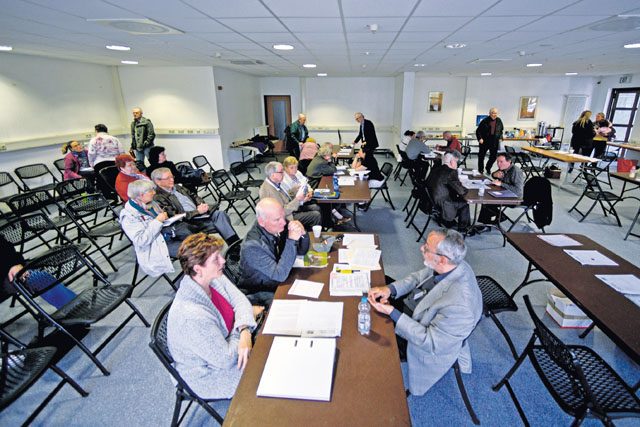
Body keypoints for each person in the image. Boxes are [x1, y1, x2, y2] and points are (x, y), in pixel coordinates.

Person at [367, 229, 482, 396]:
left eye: (427, 248)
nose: (421, 249)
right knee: (378, 283)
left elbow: (430, 342)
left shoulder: (461, 307)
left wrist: (392, 313)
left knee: (370, 332)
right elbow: (418, 277)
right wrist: (389, 289)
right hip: (418, 307)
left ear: (442, 259)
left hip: (421, 338)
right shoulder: (452, 264)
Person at [167, 233, 258, 399]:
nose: (223, 261)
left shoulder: (213, 278)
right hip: (208, 375)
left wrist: (244, 328)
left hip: (228, 346)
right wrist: (243, 328)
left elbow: (241, 301)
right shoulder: (190, 316)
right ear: (197, 269)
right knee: (265, 370)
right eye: (216, 259)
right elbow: (226, 359)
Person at [238, 198, 309, 306]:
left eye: (283, 216)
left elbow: (301, 252)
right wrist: (292, 241)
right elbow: (279, 275)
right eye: (277, 220)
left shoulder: (276, 225)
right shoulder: (252, 247)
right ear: (262, 222)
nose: (284, 222)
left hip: (278, 277)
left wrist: (303, 233)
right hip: (259, 290)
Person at [150, 167, 240, 245]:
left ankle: (235, 247)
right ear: (158, 182)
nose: (172, 179)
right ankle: (234, 248)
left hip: (200, 214)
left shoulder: (177, 187)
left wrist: (201, 204)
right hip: (190, 221)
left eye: (172, 176)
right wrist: (197, 212)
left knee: (220, 215)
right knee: (222, 223)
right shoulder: (158, 197)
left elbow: (194, 195)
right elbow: (175, 215)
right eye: (167, 178)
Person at [118, 180, 179, 276]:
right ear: (140, 195)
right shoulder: (128, 216)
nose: (154, 193)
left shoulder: (150, 203)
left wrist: (164, 217)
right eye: (150, 191)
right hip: (155, 246)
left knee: (197, 238)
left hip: (166, 234)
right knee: (194, 250)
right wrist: (158, 221)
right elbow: (141, 241)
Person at [0, 235, 76, 309]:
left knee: (35, 276)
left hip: (7, 273)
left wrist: (13, 264)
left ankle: (74, 308)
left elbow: (5, 247)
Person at [259, 161, 322, 229]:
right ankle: (311, 235)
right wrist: (298, 200)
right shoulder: (268, 191)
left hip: (291, 209)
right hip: (287, 217)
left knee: (316, 207)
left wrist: (294, 190)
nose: (283, 173)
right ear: (273, 175)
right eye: (281, 172)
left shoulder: (275, 182)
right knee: (316, 215)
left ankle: (317, 228)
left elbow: (286, 198)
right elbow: (282, 212)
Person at [425, 151, 470, 232]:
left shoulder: (436, 168)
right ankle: (464, 229)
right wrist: (466, 187)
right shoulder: (451, 172)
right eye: (457, 161)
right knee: (465, 204)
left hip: (432, 202)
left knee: (456, 197)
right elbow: (461, 191)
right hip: (443, 205)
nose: (457, 164)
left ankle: (449, 221)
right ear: (452, 162)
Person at [477, 152, 525, 227]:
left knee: (487, 202)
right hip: (504, 193)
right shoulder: (503, 167)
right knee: (486, 198)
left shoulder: (516, 171)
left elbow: (518, 191)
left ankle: (497, 218)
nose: (499, 164)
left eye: (501, 162)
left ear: (509, 161)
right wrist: (494, 175)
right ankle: (487, 222)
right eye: (497, 162)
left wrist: (501, 184)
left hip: (515, 198)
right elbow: (494, 174)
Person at [475, 108, 504, 174]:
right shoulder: (485, 121)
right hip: (485, 141)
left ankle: (488, 167)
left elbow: (501, 131)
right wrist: (480, 138)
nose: (494, 114)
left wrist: (500, 137)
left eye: (496, 113)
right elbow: (478, 131)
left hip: (494, 141)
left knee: (493, 157)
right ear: (490, 113)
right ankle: (481, 169)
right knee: (481, 156)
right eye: (493, 113)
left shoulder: (499, 120)